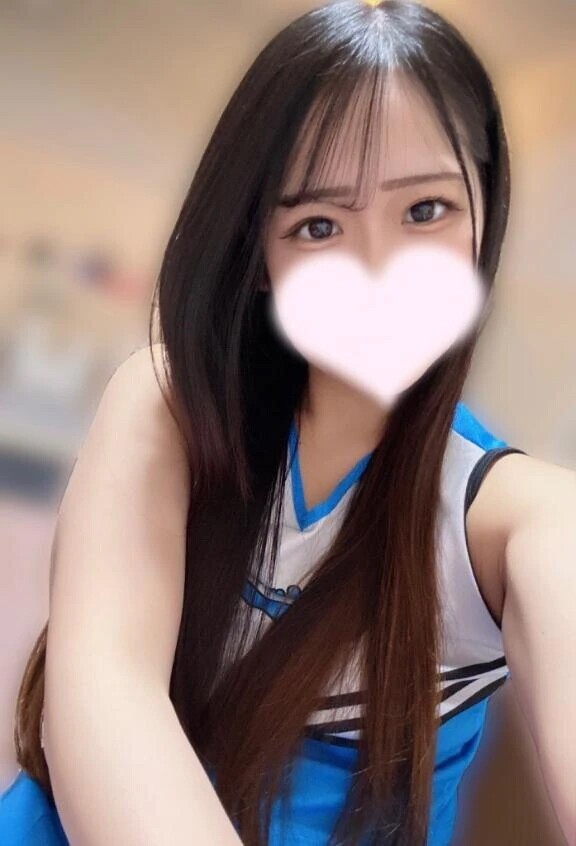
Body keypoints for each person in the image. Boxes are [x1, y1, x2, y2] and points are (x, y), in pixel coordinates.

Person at [2, 1, 573, 844]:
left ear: (483, 214)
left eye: (425, 211)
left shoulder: (517, 514)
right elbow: (103, 698)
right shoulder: (172, 406)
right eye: (318, 225)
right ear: (261, 257)